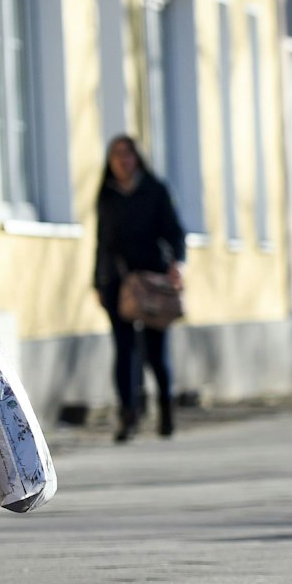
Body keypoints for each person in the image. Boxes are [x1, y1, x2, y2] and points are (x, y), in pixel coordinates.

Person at [94, 136, 187, 441]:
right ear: (110, 162)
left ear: (137, 159)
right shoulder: (106, 195)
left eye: (128, 155)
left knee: (156, 352)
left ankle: (166, 410)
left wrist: (177, 265)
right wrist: (98, 281)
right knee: (124, 351)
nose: (123, 161)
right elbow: (101, 243)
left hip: (152, 283)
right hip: (116, 283)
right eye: (117, 155)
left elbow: (175, 232)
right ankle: (128, 416)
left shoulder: (155, 190)